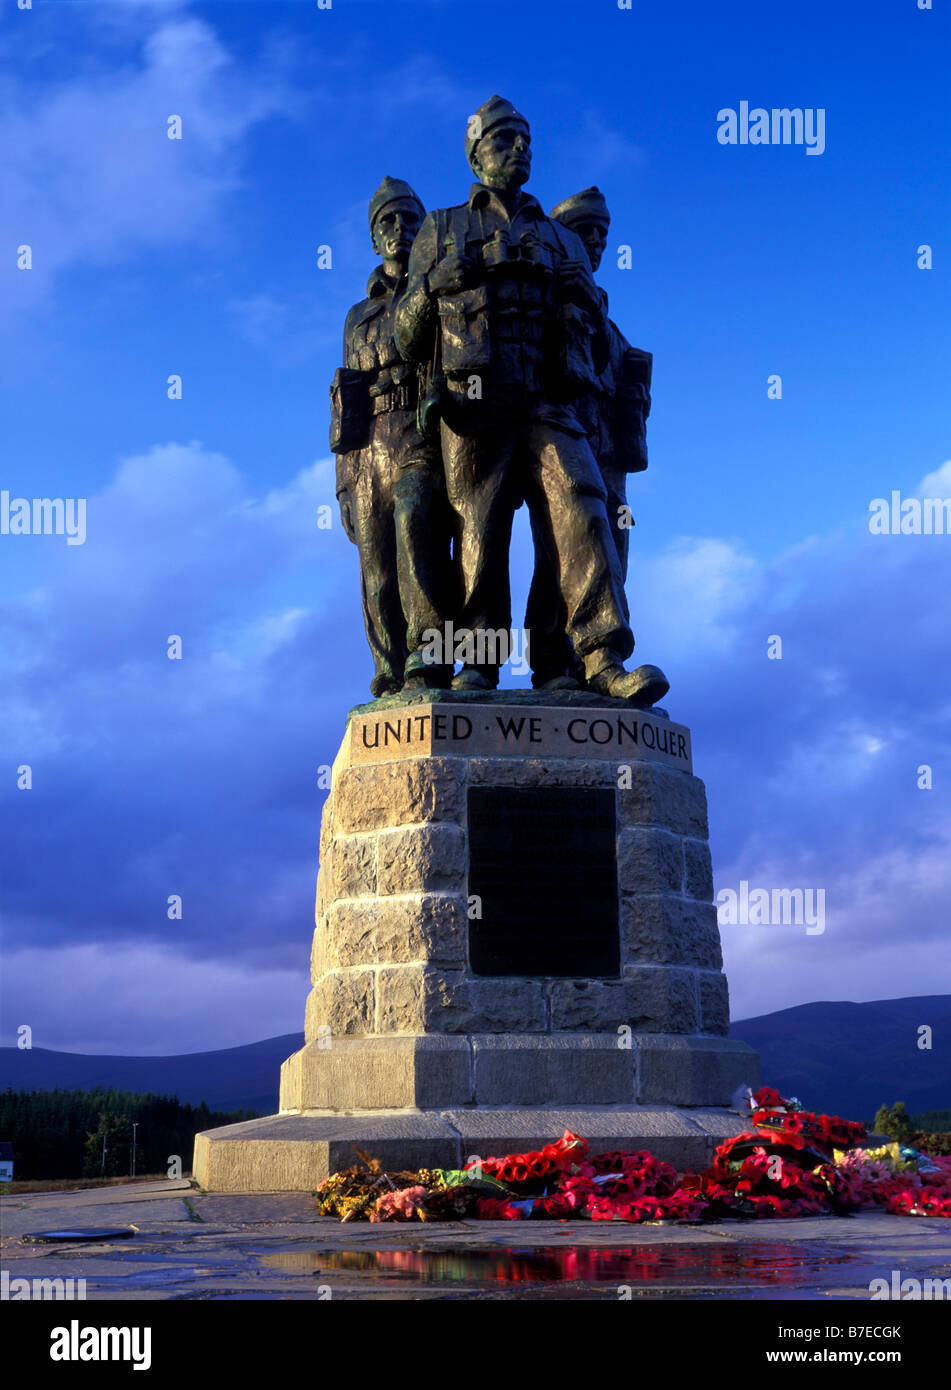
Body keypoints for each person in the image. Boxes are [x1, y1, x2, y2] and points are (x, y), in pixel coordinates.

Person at [394, 96, 668, 705]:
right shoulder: (440, 228)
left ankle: (596, 656)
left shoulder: (560, 239)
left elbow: (600, 347)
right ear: (474, 153)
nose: (519, 148)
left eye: (525, 139)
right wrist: (435, 285)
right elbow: (405, 336)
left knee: (583, 505)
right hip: (474, 397)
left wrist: (590, 302)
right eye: (503, 138)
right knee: (480, 532)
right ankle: (476, 664)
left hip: (549, 397)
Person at [525, 186, 653, 686]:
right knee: (562, 548)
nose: (595, 243)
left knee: (611, 550)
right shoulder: (546, 306)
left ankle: (582, 667)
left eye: (601, 234)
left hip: (609, 457)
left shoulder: (609, 321)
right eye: (584, 233)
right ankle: (554, 661)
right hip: (560, 436)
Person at [332, 177, 454, 696]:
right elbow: (346, 396)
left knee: (414, 516)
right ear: (374, 235)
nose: (399, 229)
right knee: (376, 564)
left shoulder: (440, 287)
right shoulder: (357, 315)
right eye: (388, 220)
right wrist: (342, 484)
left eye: (409, 219)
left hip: (419, 434)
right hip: (367, 449)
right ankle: (389, 663)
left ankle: (431, 651)